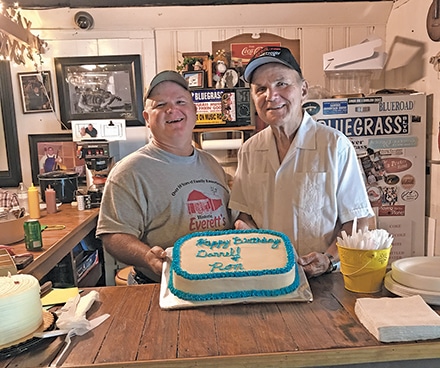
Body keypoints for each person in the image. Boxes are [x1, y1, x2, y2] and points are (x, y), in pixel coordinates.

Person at [229, 46, 374, 278]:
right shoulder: (249, 150)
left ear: (303, 89)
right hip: (267, 276)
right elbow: (244, 215)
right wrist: (245, 230)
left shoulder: (334, 145)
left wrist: (327, 259)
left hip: (324, 280)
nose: (271, 96)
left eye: (281, 84)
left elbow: (358, 220)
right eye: (261, 89)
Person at [96, 70, 234, 284]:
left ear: (194, 111)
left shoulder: (211, 163)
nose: (172, 109)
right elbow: (113, 236)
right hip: (162, 285)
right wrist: (147, 257)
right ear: (146, 118)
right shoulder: (129, 171)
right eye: (160, 105)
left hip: (220, 280)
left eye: (180, 101)